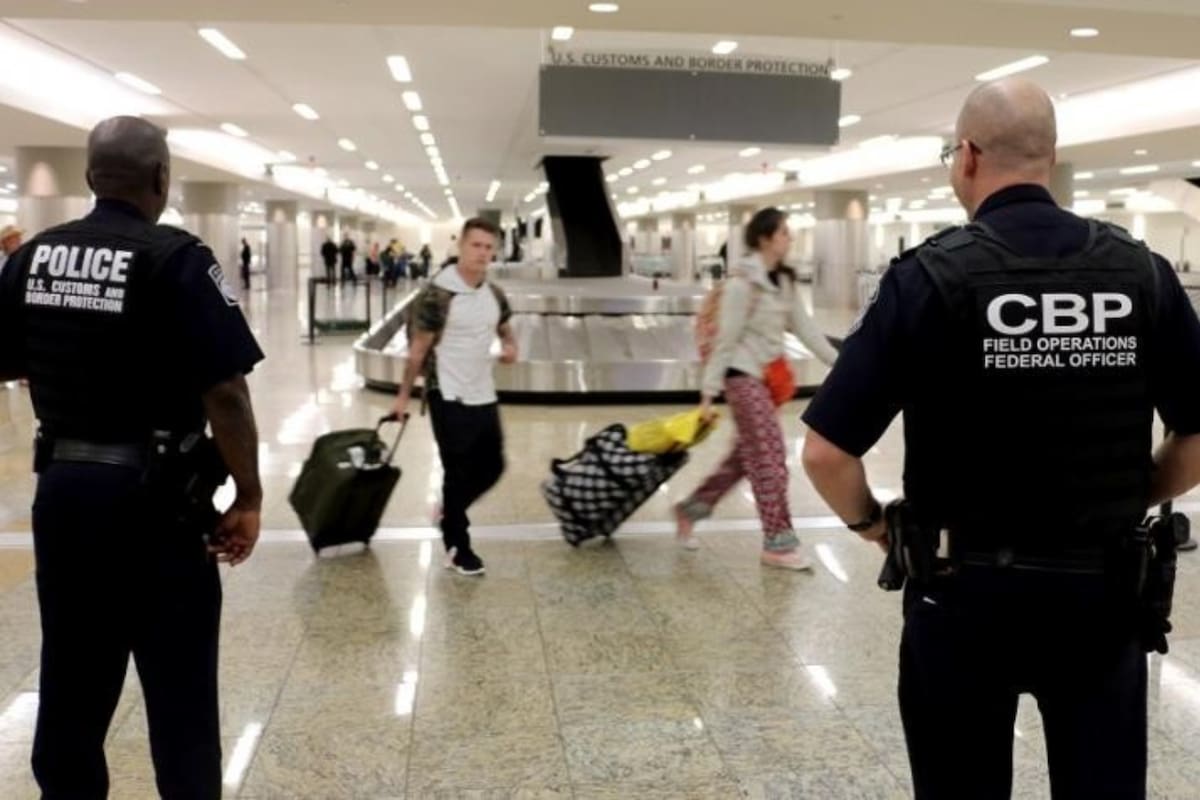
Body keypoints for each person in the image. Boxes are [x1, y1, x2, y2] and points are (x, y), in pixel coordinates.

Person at [800, 79, 1200, 800]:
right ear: (1050, 157)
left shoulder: (928, 277)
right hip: (1101, 597)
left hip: (960, 598)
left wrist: (873, 525)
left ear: (969, 156)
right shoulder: (1140, 273)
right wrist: (1133, 489)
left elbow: (827, 452)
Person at [0, 116, 265, 798]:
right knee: (178, 686)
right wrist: (249, 496)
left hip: (62, 492)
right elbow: (227, 392)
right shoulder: (175, 258)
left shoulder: (31, 258)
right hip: (157, 503)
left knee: (72, 674)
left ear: (90, 177)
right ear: (162, 179)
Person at [674, 207, 838, 568]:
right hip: (741, 376)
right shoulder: (740, 285)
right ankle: (777, 544)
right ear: (765, 238)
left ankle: (690, 509)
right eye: (783, 233)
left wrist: (842, 366)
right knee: (770, 458)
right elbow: (726, 340)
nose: (789, 239)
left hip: (766, 380)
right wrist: (708, 392)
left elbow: (807, 330)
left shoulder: (783, 282)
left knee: (743, 458)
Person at [392, 218, 516, 576]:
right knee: (457, 471)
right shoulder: (437, 294)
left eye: (489, 248)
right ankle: (457, 545)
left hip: (483, 392)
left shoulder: (493, 293)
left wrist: (510, 346)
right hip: (446, 392)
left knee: (493, 465)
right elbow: (417, 351)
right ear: (461, 246)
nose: (482, 253)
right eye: (476, 245)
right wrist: (402, 397)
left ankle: (449, 509)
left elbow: (506, 328)